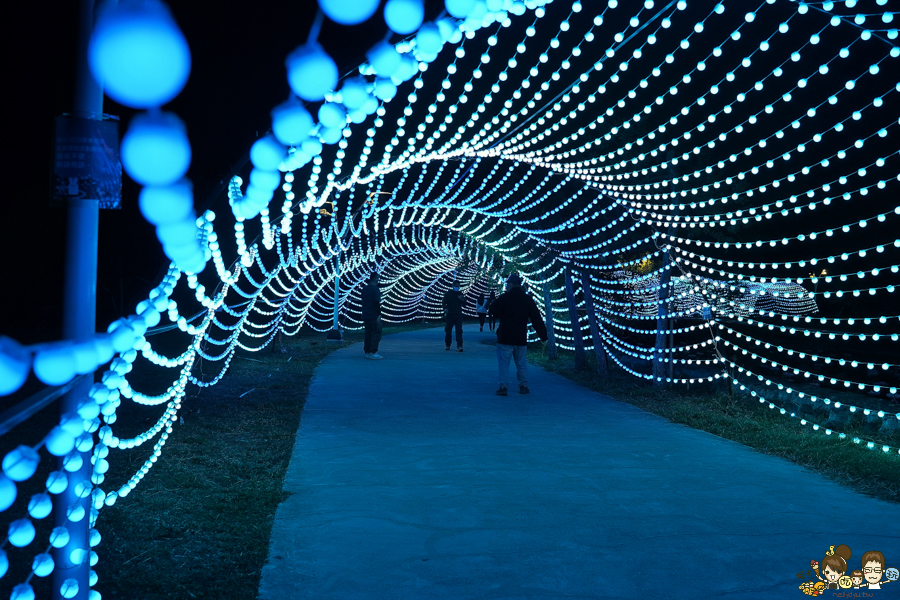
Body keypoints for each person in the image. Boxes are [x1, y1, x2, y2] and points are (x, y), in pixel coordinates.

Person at [488, 273, 547, 395]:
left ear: (510, 284)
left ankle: (503, 387)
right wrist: (543, 335)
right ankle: (523, 386)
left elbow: (493, 312)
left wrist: (494, 304)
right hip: (520, 336)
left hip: (505, 336)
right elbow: (536, 318)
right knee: (521, 363)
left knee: (504, 363)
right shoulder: (527, 299)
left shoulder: (505, 298)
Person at [361, 272, 383, 360]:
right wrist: (379, 314)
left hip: (365, 314)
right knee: (376, 332)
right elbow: (376, 302)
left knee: (368, 333)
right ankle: (373, 351)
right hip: (373, 314)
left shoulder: (364, 289)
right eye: (378, 278)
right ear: (375, 278)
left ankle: (367, 351)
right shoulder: (375, 289)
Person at [442, 281, 466, 351]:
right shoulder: (448, 293)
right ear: (453, 286)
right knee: (448, 330)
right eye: (456, 286)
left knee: (459, 330)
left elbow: (465, 303)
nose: (457, 287)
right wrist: (445, 308)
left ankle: (459, 345)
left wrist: (463, 300)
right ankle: (448, 344)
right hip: (450, 314)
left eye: (458, 286)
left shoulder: (460, 294)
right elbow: (444, 302)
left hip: (458, 314)